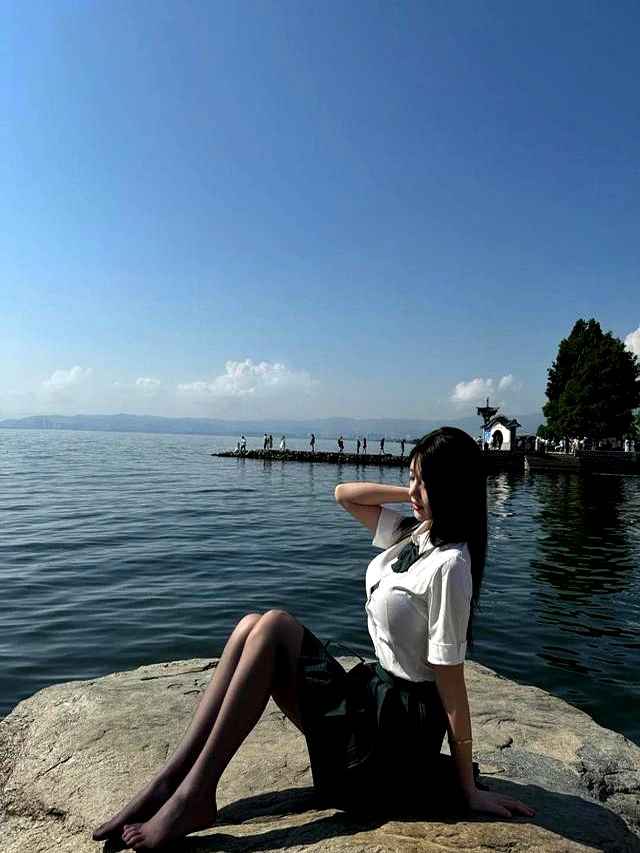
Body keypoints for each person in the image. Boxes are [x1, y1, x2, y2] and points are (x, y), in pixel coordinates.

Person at [92, 428, 534, 849]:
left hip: (393, 740)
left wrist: (468, 790)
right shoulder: (416, 534)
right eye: (412, 477)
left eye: (425, 481)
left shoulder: (451, 564)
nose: (413, 489)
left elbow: (451, 686)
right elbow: (345, 494)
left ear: (452, 487)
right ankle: (172, 779)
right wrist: (417, 493)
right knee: (250, 625)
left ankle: (195, 797)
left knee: (274, 627)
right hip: (370, 704)